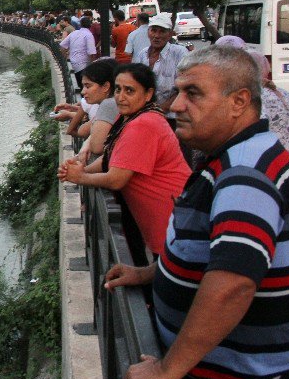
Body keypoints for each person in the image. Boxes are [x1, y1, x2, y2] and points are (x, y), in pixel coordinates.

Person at [105, 46, 289, 379]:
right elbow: (208, 251)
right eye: (178, 92)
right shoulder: (236, 157)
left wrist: (166, 371)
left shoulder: (244, 173)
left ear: (239, 102)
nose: (177, 105)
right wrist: (152, 272)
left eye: (192, 94)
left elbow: (233, 284)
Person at [58, 63, 190, 261]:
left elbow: (116, 179)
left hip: (172, 220)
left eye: (130, 90)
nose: (121, 96)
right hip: (170, 220)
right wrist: (83, 168)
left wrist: (81, 177)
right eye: (118, 89)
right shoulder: (138, 117)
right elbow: (113, 157)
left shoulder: (144, 124)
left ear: (148, 94)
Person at [133, 13, 188, 116]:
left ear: (170, 34)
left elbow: (184, 87)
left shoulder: (179, 53)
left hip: (172, 116)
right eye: (153, 31)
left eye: (162, 31)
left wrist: (160, 110)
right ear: (148, 32)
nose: (157, 36)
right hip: (146, 114)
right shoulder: (142, 55)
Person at [59, 16, 97, 89]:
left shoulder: (74, 33)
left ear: (81, 25)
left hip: (72, 64)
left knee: (75, 88)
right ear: (90, 25)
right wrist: (92, 67)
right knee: (83, 89)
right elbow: (91, 53)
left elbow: (62, 46)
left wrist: (66, 57)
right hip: (83, 67)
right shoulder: (89, 35)